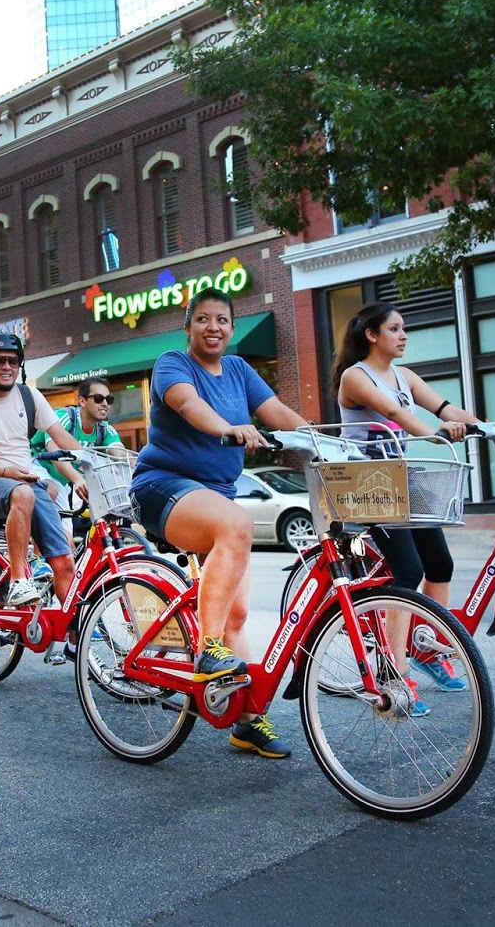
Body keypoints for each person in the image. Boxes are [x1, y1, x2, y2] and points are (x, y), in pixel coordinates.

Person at [129, 288, 309, 759]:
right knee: (236, 525)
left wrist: (317, 438)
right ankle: (208, 648)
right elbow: (190, 407)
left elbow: (279, 415)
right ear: (188, 327)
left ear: (232, 327)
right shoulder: (173, 364)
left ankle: (247, 722)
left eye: (223, 320)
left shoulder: (240, 370)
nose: (214, 327)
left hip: (217, 497)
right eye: (203, 319)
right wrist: (229, 428)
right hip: (163, 486)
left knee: (238, 613)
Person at [333, 303, 481, 711]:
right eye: (395, 328)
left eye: (404, 328)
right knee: (408, 571)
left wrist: (483, 426)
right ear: (372, 334)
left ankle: (426, 647)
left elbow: (444, 408)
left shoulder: (405, 375)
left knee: (440, 565)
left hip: (403, 481)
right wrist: (436, 436)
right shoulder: (356, 376)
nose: (403, 335)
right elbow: (394, 412)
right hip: (370, 486)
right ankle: (392, 673)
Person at [0, 332, 89, 659]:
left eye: (13, 361)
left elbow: (60, 435)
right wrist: (5, 472)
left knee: (65, 559)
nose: (7, 366)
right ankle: (19, 580)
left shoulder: (30, 397)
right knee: (23, 493)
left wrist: (97, 457)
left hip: (26, 483)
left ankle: (73, 641)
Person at [30, 376, 123, 551]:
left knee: (67, 549)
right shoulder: (63, 418)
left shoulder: (105, 429)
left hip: (63, 482)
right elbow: (55, 456)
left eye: (108, 400)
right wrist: (77, 479)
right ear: (81, 401)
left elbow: (121, 456)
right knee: (50, 490)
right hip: (36, 466)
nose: (105, 404)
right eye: (98, 398)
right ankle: (36, 559)